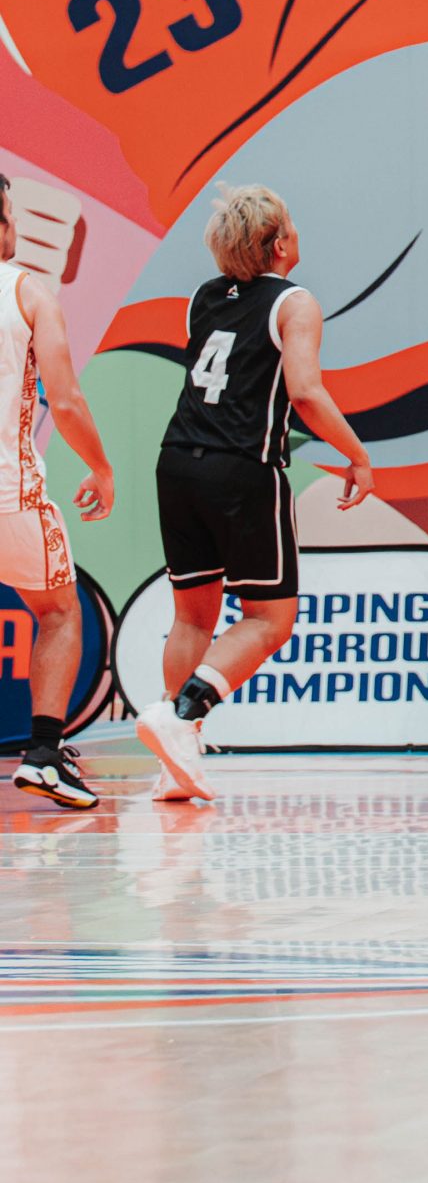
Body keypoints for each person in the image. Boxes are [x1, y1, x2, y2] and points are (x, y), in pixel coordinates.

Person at [135, 185, 374, 803]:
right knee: (270, 620)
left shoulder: (203, 298)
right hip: (241, 470)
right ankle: (182, 716)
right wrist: (356, 454)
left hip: (177, 462)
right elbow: (306, 392)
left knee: (192, 616)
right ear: (280, 243)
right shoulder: (295, 302)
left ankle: (176, 759)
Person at [1, 174, 115, 810]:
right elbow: (65, 401)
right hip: (10, 496)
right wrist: (101, 467)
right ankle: (44, 754)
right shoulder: (27, 291)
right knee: (60, 613)